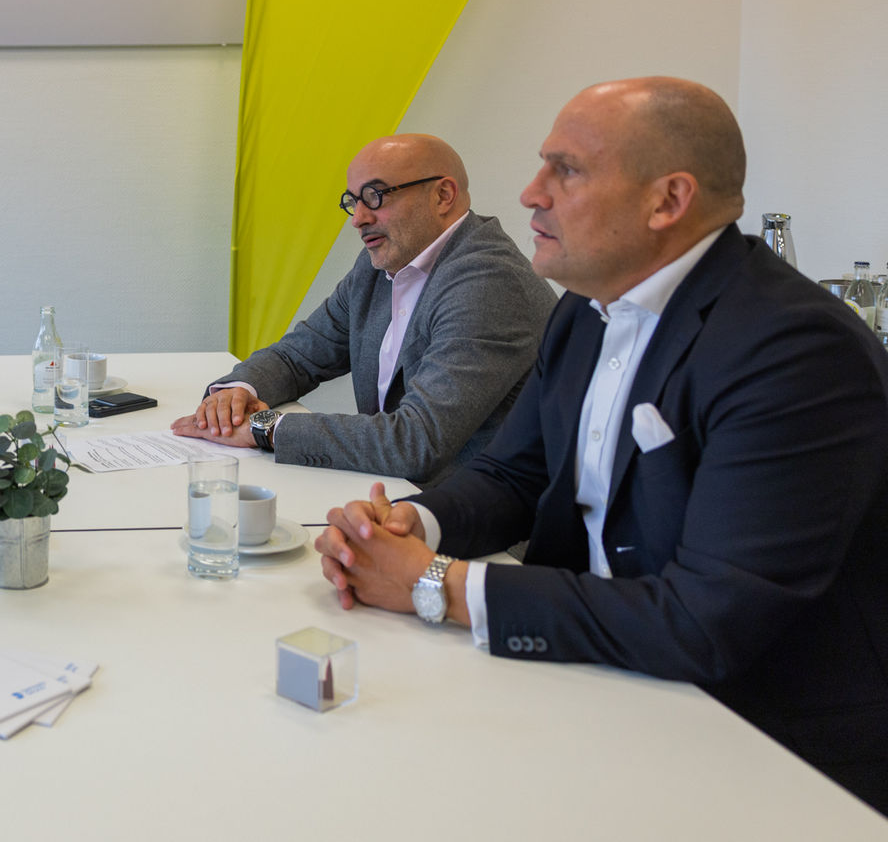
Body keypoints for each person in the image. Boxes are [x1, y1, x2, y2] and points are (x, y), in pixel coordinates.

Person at [315, 78, 888, 812]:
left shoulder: (794, 350)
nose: (531, 193)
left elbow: (704, 620)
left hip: (758, 745)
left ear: (668, 200)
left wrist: (434, 586)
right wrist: (408, 526)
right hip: (596, 680)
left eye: (566, 170)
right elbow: (514, 477)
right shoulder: (584, 311)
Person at [174, 134, 555, 485]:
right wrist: (236, 393)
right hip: (395, 493)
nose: (358, 219)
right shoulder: (379, 266)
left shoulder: (489, 283)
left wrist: (265, 427)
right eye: (352, 201)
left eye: (376, 196)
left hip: (478, 516)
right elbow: (298, 356)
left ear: (443, 196)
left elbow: (415, 442)